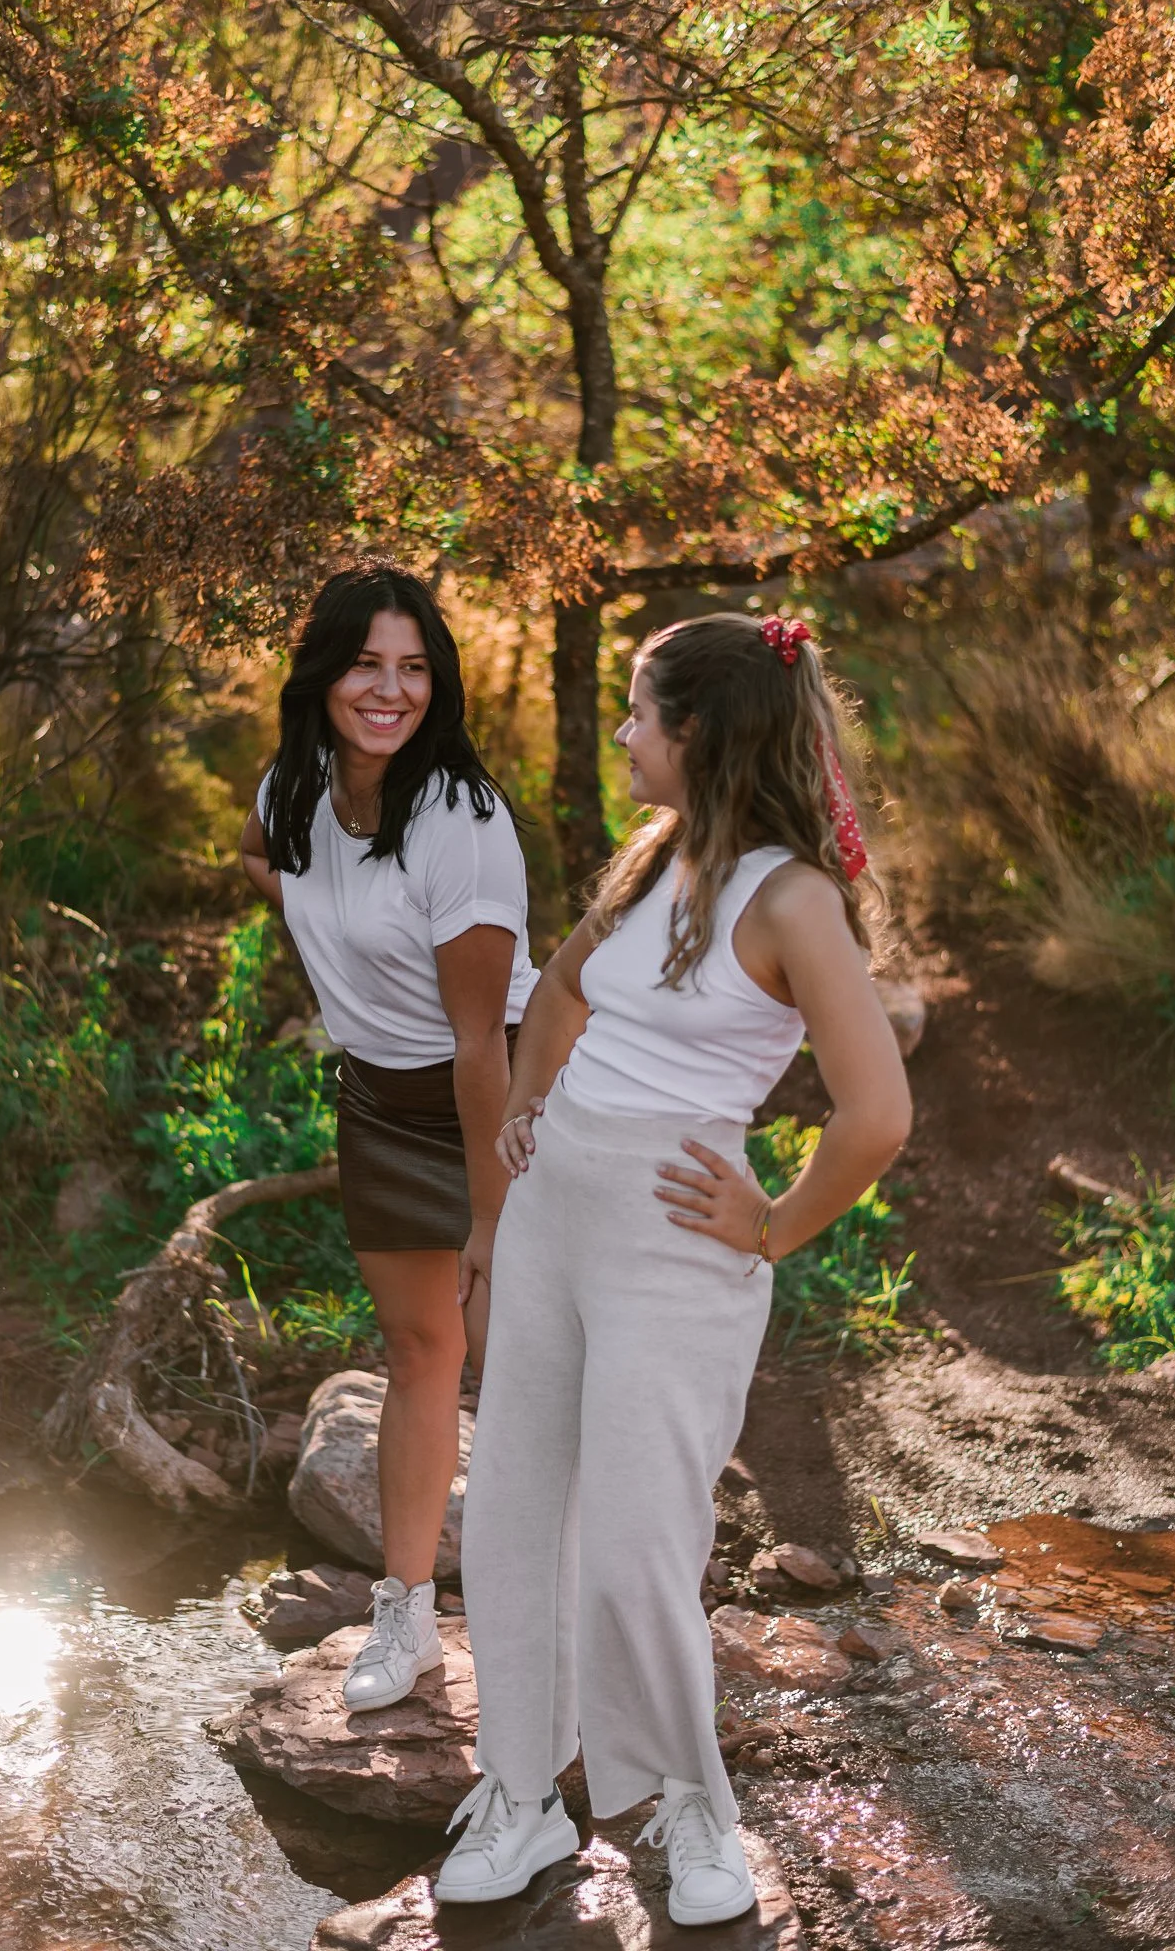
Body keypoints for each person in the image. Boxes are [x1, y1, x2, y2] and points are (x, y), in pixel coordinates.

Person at [435, 612, 912, 1923]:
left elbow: (873, 1115)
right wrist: (529, 1109)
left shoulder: (790, 899)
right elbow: (568, 982)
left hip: (670, 1247)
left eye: (638, 713)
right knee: (519, 1512)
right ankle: (522, 1797)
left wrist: (768, 1226)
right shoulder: (658, 859)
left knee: (639, 1545)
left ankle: (691, 1807)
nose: (624, 734)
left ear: (694, 732)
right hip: (552, 1224)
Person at [239, 559, 537, 1716]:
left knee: (514, 1371)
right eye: (367, 662)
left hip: (495, 1108)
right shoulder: (292, 789)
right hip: (375, 1102)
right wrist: (327, 939)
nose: (391, 689)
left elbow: (481, 1046)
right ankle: (404, 1617)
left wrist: (494, 1219)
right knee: (418, 1357)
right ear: (324, 670)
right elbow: (262, 855)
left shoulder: (462, 822)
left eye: (414, 668)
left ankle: (541, 1622)